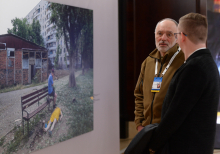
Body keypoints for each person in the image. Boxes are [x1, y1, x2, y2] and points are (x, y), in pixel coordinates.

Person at [148, 13, 220, 154]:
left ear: (181, 36)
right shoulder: (207, 63)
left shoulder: (195, 67)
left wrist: (154, 144)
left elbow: (176, 114)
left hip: (186, 148)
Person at [134, 18, 185, 132]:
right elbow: (139, 95)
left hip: (172, 132)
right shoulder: (148, 62)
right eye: (160, 33)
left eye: (169, 34)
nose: (163, 38)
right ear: (155, 35)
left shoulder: (184, 61)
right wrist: (139, 124)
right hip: (147, 130)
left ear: (177, 38)